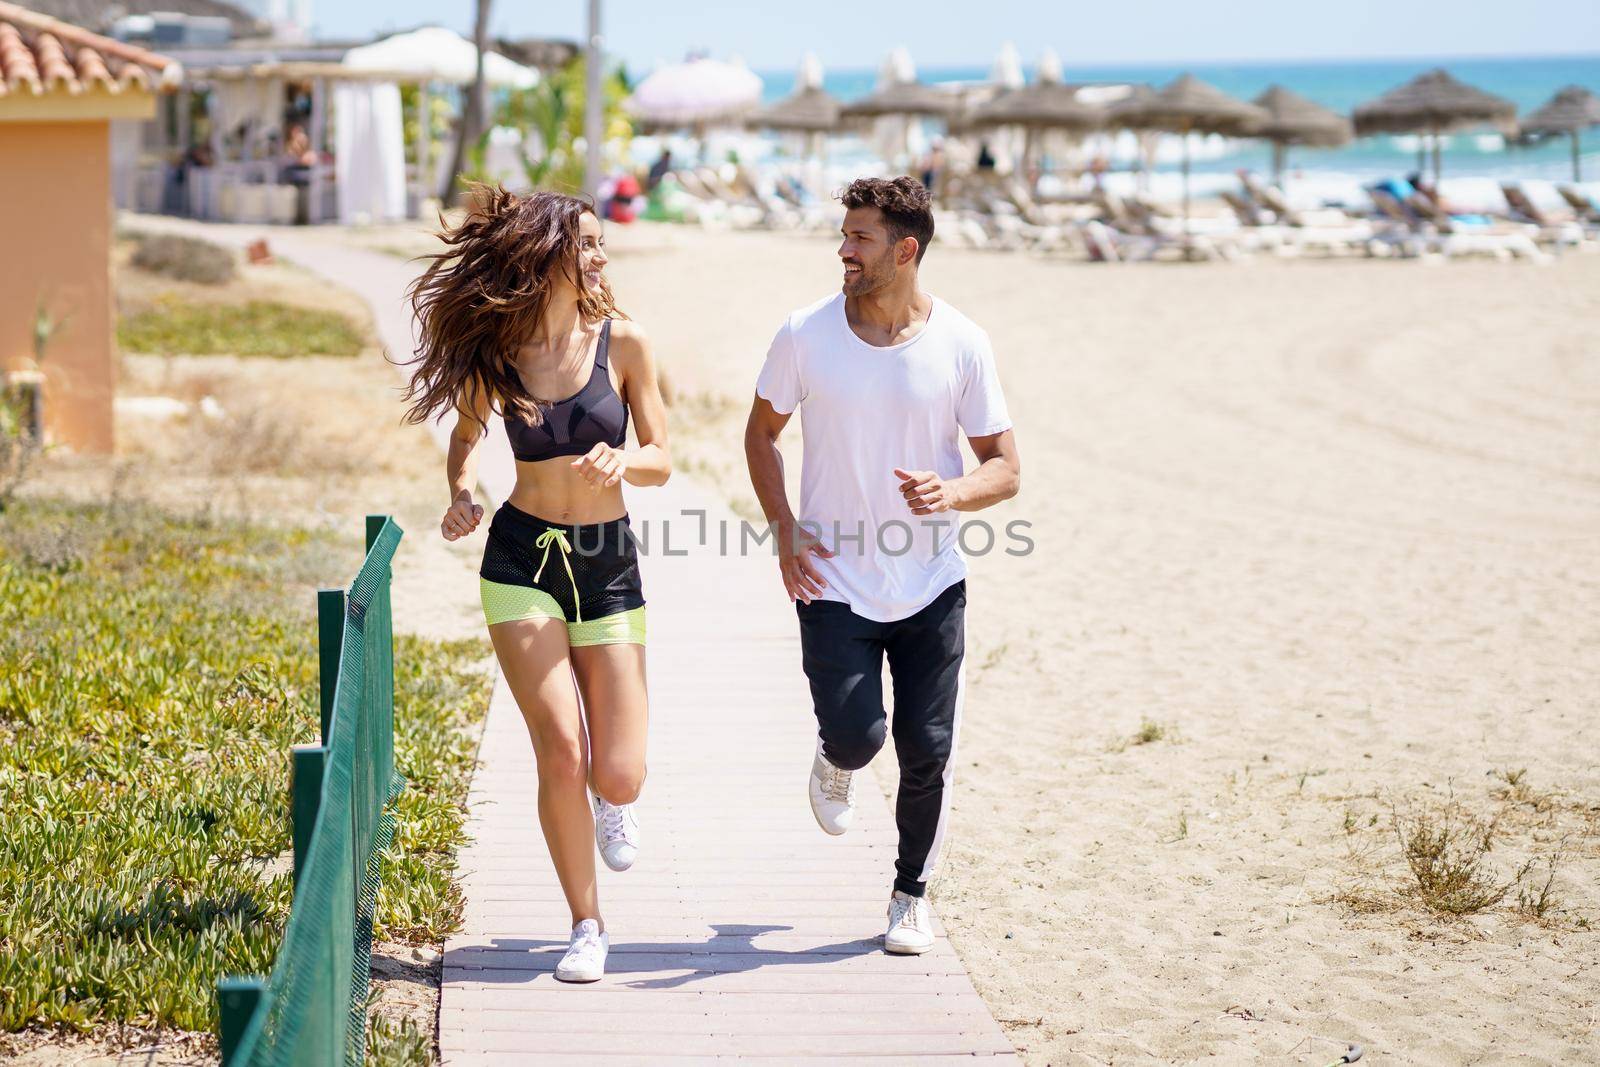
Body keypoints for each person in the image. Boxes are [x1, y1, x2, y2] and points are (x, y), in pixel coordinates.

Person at [400, 186, 672, 983]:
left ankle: (610, 800)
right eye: (585, 244)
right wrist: (460, 493)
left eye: (598, 244)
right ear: (547, 253)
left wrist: (626, 460)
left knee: (616, 768)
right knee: (560, 746)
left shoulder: (625, 345)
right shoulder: (501, 353)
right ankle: (586, 924)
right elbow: (464, 438)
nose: (599, 256)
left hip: (606, 561)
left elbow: (663, 455)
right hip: (520, 558)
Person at [743, 176, 1021, 955]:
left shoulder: (962, 341)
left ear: (906, 249)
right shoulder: (804, 333)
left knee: (927, 750)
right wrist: (784, 527)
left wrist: (955, 490)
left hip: (932, 582)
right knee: (861, 736)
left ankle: (910, 893)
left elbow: (1004, 466)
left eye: (860, 237)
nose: (844, 249)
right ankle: (835, 760)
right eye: (844, 234)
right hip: (831, 578)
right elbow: (760, 435)